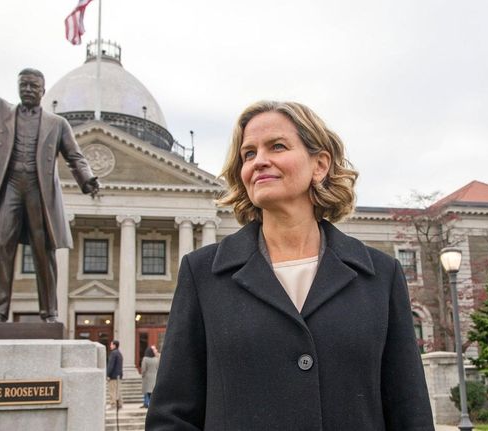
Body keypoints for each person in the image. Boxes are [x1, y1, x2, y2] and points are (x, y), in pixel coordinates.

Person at [146, 101, 434, 430]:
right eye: (249, 154)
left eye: (277, 146)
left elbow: (409, 411)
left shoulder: (380, 276)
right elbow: (171, 416)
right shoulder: (203, 274)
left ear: (320, 165)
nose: (259, 162)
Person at [0, 14, 99, 323]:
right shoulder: (2, 112)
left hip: (40, 191)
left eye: (34, 86)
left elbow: (74, 155)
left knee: (43, 251)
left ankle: (49, 312)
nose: (28, 89)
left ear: (43, 90)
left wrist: (87, 179)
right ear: (18, 87)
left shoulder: (57, 123)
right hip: (9, 186)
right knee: (2, 245)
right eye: (24, 85)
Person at [106, 340, 123, 410]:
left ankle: (113, 404)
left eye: (111, 344)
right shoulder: (119, 353)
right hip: (118, 375)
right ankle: (119, 404)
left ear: (114, 345)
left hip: (113, 376)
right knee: (117, 390)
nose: (110, 346)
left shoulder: (113, 353)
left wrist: (108, 375)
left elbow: (111, 365)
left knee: (112, 391)